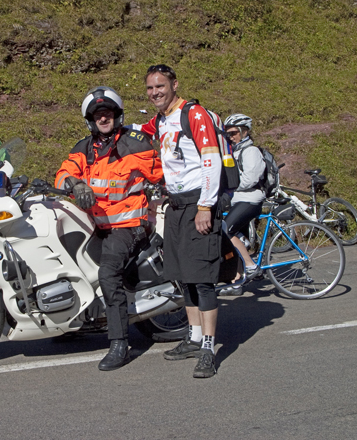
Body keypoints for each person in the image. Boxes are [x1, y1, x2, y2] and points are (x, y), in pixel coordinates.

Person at [54, 86, 163, 372]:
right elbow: (63, 173)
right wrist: (74, 184)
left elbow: (164, 173)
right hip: (96, 225)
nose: (104, 118)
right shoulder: (83, 148)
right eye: (99, 115)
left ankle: (119, 344)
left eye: (108, 113)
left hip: (127, 226)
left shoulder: (135, 144)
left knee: (108, 273)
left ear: (117, 115)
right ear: (91, 120)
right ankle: (71, 323)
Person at [134, 64, 224, 379]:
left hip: (198, 203)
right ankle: (194, 336)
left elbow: (211, 158)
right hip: (175, 206)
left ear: (174, 85)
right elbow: (136, 132)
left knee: (202, 278)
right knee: (183, 277)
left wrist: (205, 207)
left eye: (160, 86)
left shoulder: (193, 114)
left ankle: (208, 348)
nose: (155, 92)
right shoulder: (160, 120)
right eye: (150, 88)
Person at [221, 113, 266, 296]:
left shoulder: (251, 152)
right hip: (238, 199)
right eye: (228, 134)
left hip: (251, 199)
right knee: (234, 240)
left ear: (244, 131)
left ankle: (251, 265)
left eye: (234, 133)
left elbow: (250, 178)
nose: (230, 137)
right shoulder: (234, 151)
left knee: (226, 230)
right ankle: (236, 281)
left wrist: (228, 186)